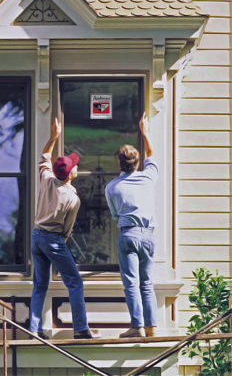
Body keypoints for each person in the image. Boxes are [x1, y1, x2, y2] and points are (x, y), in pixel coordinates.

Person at [30, 118, 99, 340]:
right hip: (53, 240)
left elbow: (44, 157)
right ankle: (80, 329)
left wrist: (54, 136)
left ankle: (34, 329)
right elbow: (67, 231)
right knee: (75, 282)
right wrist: (61, 242)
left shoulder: (47, 179)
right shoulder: (72, 198)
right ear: (69, 174)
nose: (76, 165)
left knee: (40, 285)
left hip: (36, 236)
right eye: (74, 165)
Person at [105, 112, 158, 338]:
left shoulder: (112, 187)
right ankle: (152, 328)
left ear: (119, 163)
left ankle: (137, 327)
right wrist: (144, 131)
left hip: (128, 235)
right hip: (149, 235)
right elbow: (152, 154)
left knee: (132, 283)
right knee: (147, 283)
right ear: (137, 163)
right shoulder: (148, 178)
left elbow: (115, 214)